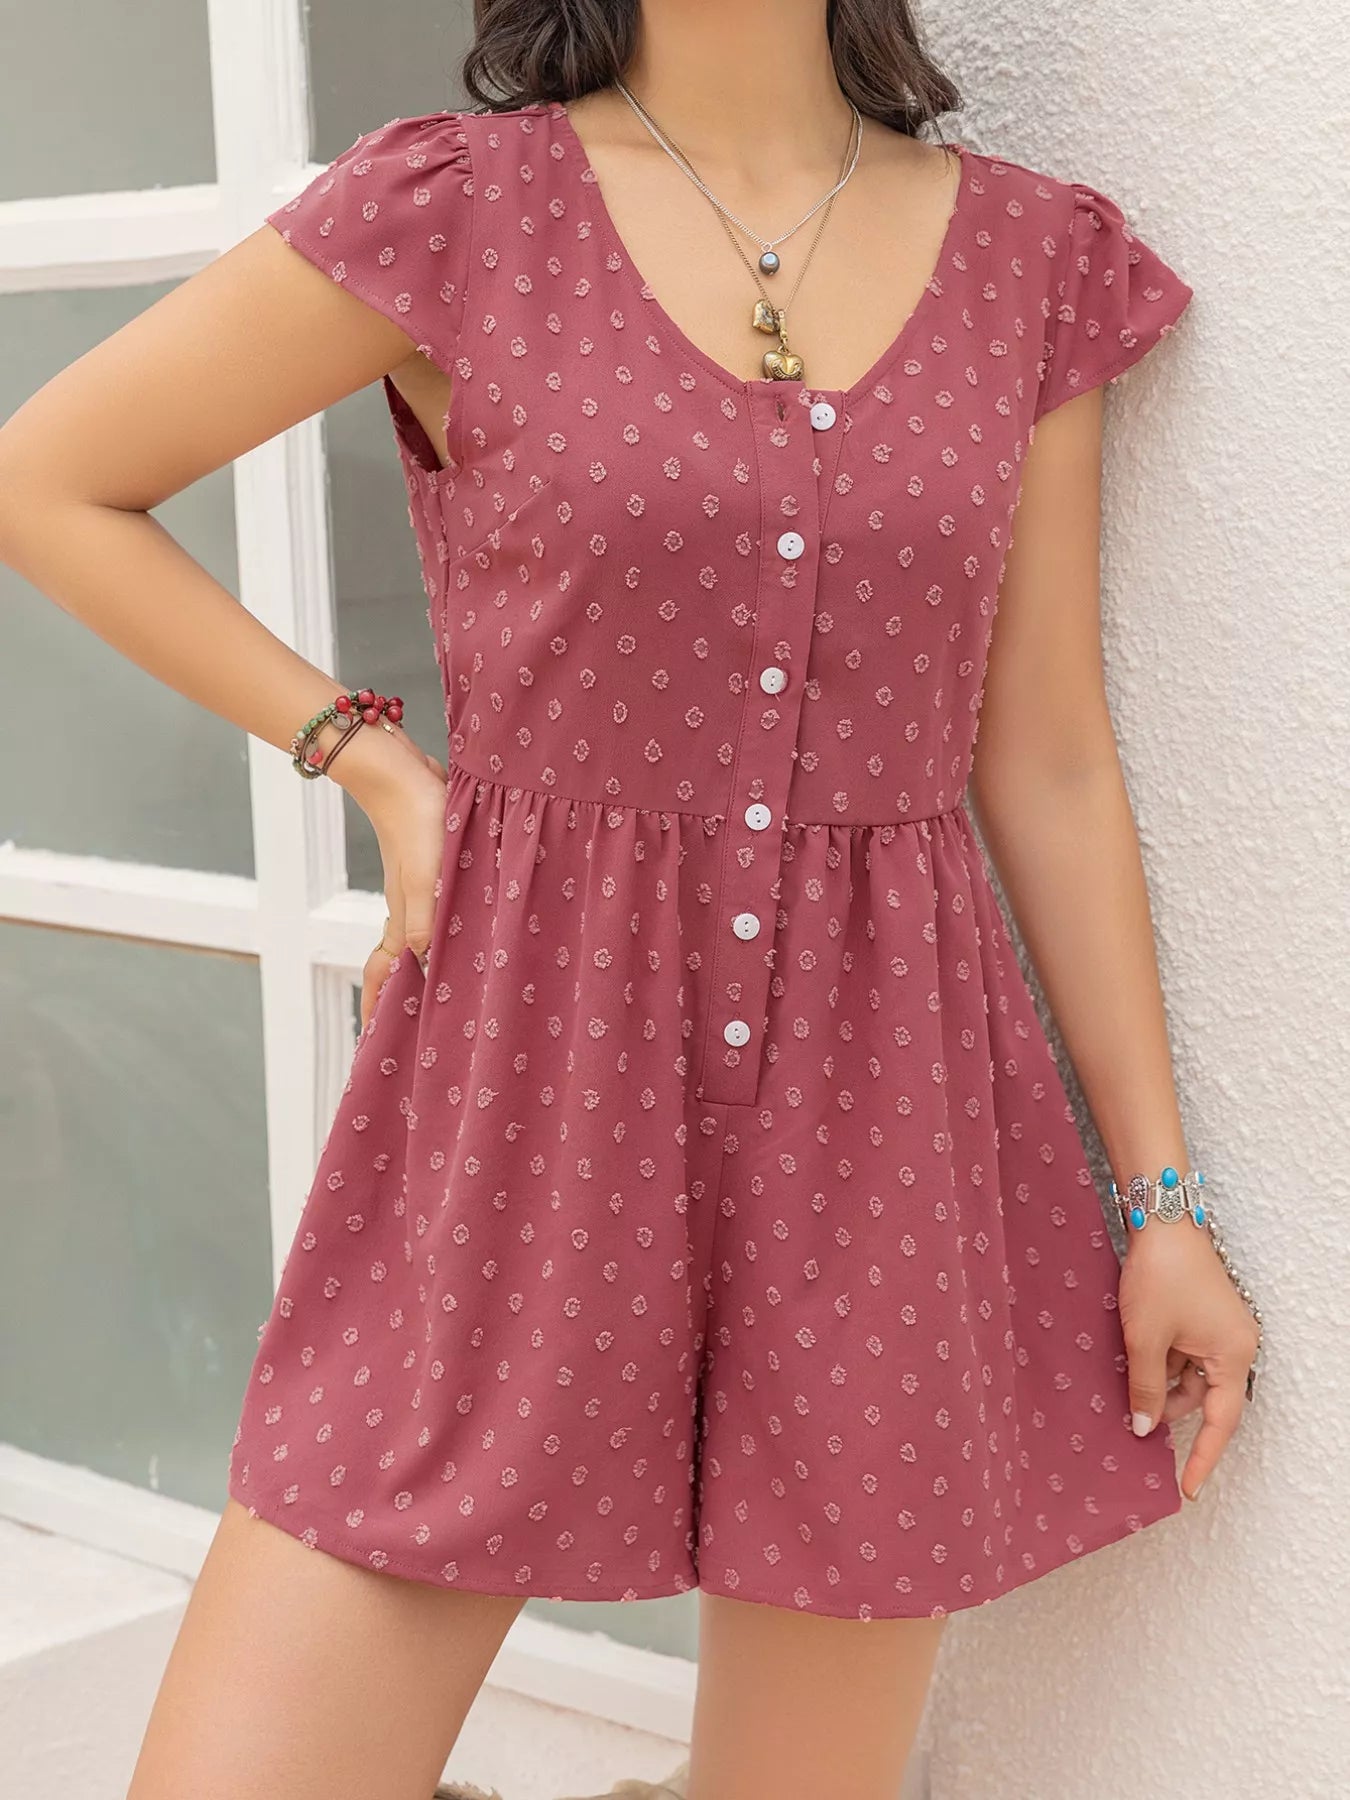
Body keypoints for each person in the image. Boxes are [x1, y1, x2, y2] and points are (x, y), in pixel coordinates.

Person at [0, 4, 1264, 1798]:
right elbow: (51, 480)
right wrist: (375, 765)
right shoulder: (457, 212)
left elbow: (1044, 755)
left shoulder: (1027, 262)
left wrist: (1158, 1204)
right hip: (527, 1090)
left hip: (881, 1134)